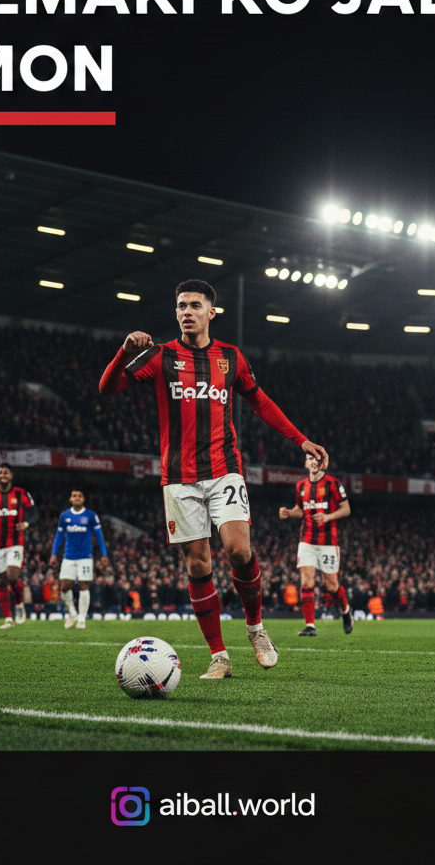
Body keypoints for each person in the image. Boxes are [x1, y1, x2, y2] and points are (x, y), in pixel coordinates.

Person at [99, 279, 328, 679]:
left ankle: (256, 629)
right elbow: (108, 388)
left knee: (239, 551)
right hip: (178, 477)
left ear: (211, 312)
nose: (186, 312)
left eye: (194, 305)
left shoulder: (231, 358)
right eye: (181, 305)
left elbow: (260, 402)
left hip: (224, 469)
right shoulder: (160, 356)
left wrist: (302, 439)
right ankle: (219, 656)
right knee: (198, 564)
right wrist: (123, 353)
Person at [278, 451, 353, 636]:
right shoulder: (300, 486)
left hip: (328, 542)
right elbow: (301, 511)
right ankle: (310, 626)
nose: (313, 462)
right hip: (307, 540)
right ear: (305, 462)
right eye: (310, 459)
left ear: (323, 463)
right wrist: (288, 512)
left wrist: (328, 517)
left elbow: (346, 509)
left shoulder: (333, 484)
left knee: (331, 586)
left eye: (317, 460)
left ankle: (345, 610)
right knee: (306, 581)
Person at [0, 463, 37, 629]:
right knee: (0, 582)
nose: (3, 474)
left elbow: (34, 513)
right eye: (0, 472)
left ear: (11, 476)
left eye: (6, 472)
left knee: (12, 576)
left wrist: (26, 522)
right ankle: (8, 619)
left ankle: (19, 605)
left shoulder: (21, 494)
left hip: (15, 543)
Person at [49, 488, 109, 630]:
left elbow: (99, 535)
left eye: (79, 496)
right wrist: (53, 554)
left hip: (85, 557)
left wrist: (104, 554)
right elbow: (59, 536)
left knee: (84, 586)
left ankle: (82, 618)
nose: (77, 498)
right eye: (74, 496)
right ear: (70, 499)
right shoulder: (65, 516)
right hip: (69, 556)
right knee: (64, 586)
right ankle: (72, 613)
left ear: (83, 499)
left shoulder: (90, 515)